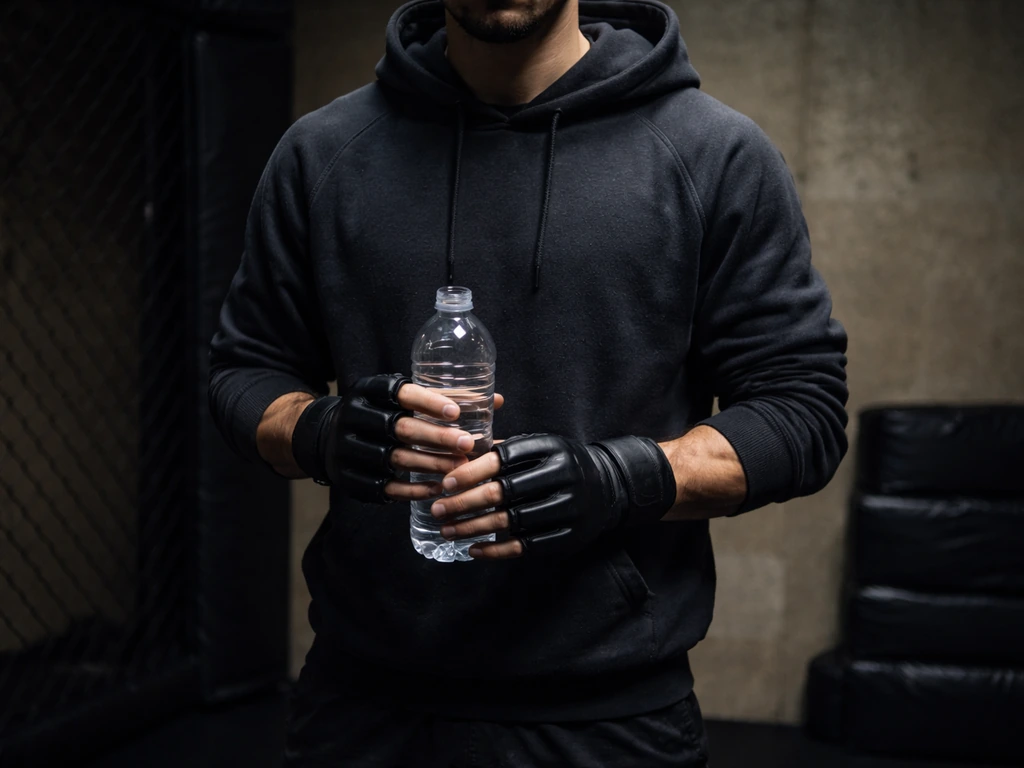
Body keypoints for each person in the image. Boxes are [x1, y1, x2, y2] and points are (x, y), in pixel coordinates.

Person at [209, 0, 848, 764]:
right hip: (363, 709)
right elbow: (244, 372)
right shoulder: (323, 153)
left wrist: (617, 478)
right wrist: (320, 431)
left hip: (606, 717)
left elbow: (802, 412)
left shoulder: (713, 154)